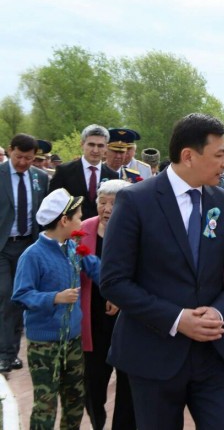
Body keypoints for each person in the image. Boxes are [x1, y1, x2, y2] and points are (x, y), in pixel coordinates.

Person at [100, 113, 224, 429]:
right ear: (188, 156)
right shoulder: (136, 201)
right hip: (154, 355)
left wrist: (219, 313)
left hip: (213, 355)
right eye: (219, 154)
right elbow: (114, 281)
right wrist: (177, 319)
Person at [12, 188, 100, 429]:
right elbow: (21, 295)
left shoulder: (72, 248)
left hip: (72, 340)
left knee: (75, 399)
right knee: (46, 404)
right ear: (64, 220)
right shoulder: (33, 255)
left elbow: (97, 269)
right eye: (78, 217)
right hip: (45, 344)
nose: (81, 221)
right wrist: (55, 298)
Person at [80, 179, 136, 430]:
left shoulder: (136, 230)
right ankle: (97, 422)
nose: (107, 209)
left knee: (127, 382)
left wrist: (121, 296)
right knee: (93, 382)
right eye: (102, 202)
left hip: (127, 319)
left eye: (113, 203)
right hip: (92, 317)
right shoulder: (83, 230)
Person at [0, 134, 50, 373]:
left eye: (28, 159)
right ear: (10, 151)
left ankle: (11, 352)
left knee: (21, 297)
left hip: (28, 246)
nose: (22, 163)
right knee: (5, 296)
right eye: (19, 157)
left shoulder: (40, 177)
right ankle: (5, 354)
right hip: (2, 246)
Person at [49, 124, 119, 220]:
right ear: (82, 144)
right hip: (71, 227)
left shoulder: (113, 176)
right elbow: (52, 204)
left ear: (106, 147)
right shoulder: (64, 171)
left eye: (100, 146)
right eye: (91, 144)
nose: (95, 150)